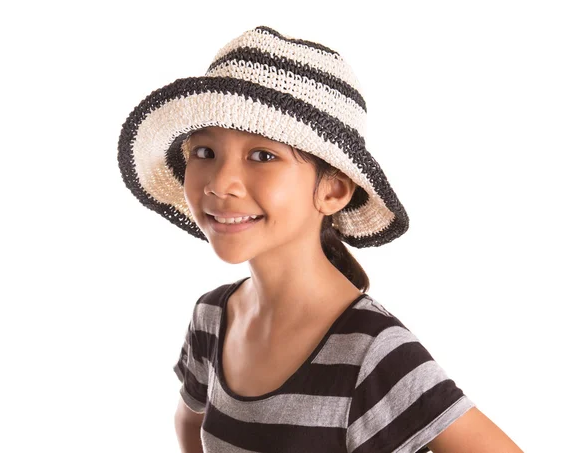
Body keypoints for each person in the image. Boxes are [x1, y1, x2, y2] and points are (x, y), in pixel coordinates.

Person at [117, 25, 523, 453]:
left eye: (262, 155)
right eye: (205, 152)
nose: (220, 183)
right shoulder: (212, 318)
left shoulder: (372, 351)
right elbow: (188, 428)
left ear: (333, 190)